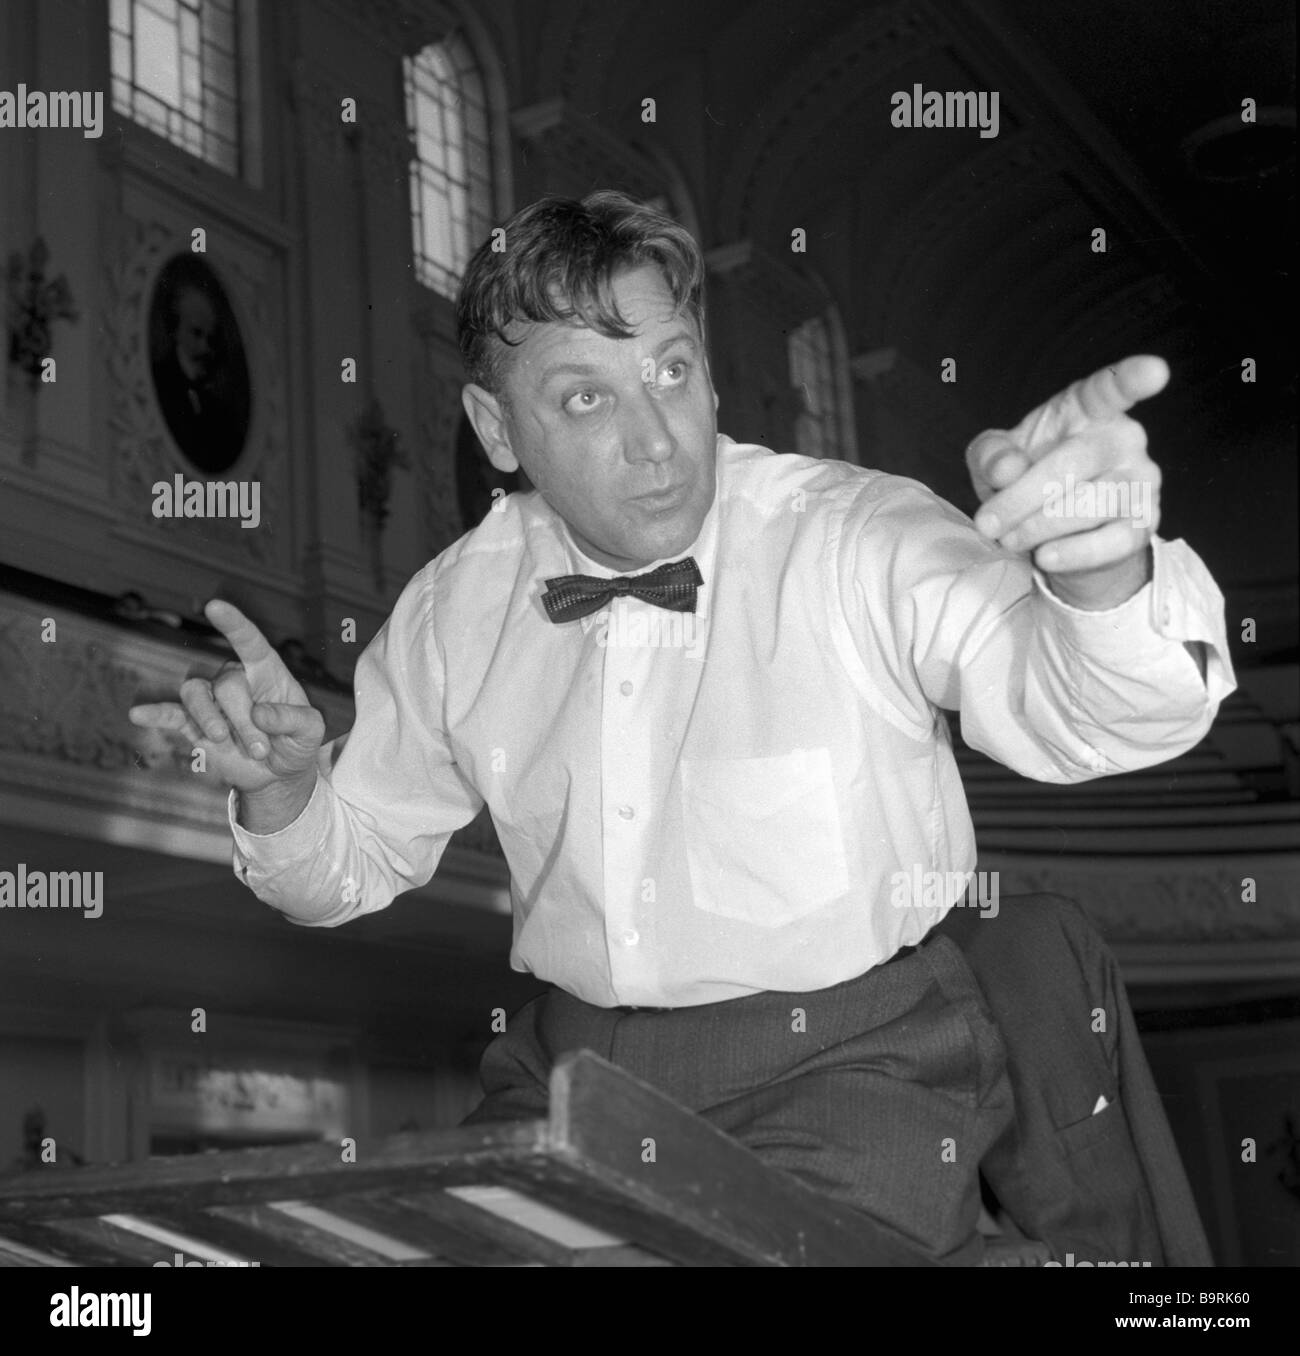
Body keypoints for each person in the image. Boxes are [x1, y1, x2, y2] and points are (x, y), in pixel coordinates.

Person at [129, 191, 1234, 1264]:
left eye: (670, 369)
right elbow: (353, 861)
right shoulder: (455, 605)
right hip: (574, 1065)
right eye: (585, 399)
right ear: (495, 429)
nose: (657, 440)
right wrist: (283, 795)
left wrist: (1098, 576)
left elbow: (1088, 717)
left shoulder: (854, 533)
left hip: (860, 1059)